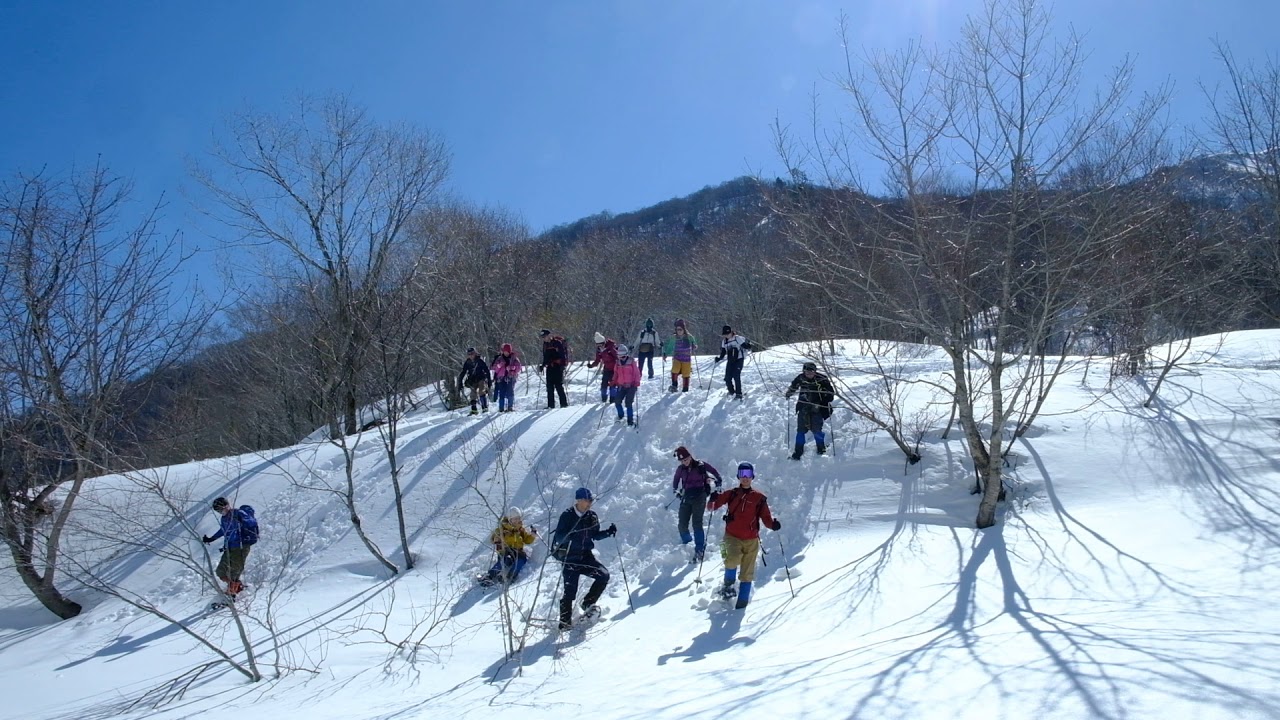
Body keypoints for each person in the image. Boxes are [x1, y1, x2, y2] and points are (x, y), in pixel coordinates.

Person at [706, 462, 780, 609]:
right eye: (742, 474)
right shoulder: (731, 494)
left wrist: (773, 524)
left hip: (752, 540)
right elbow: (711, 508)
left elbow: (766, 518)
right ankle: (727, 586)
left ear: (752, 476)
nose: (745, 478)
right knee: (730, 560)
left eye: (748, 474)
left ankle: (742, 605)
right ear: (738, 477)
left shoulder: (759, 498)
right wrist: (712, 499)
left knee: (747, 573)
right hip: (731, 536)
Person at [552, 487, 617, 630]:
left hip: (586, 557)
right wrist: (571, 534)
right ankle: (564, 623)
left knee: (603, 575)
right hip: (570, 558)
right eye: (588, 500)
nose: (590, 503)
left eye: (591, 500)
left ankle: (587, 603)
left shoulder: (591, 516)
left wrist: (608, 532)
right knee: (570, 592)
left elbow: (595, 535)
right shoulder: (567, 515)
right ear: (579, 500)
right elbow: (559, 537)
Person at [671, 445, 723, 562]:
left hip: (700, 495)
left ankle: (699, 549)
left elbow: (714, 472)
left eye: (686, 459)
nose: (685, 462)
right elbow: (675, 482)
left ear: (690, 456)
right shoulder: (680, 469)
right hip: (687, 496)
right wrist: (676, 492)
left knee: (696, 523)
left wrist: (718, 481)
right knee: (682, 524)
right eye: (682, 460)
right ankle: (687, 544)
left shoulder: (701, 465)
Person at [202, 497, 259, 599]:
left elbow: (252, 522)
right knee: (220, 571)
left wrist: (242, 520)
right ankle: (237, 586)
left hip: (241, 546)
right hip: (229, 547)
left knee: (234, 572)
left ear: (227, 505)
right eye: (218, 511)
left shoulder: (238, 513)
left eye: (221, 509)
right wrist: (211, 539)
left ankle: (232, 594)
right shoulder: (224, 518)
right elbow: (223, 530)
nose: (221, 512)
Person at [784, 361, 835, 459]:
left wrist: (825, 396)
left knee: (817, 430)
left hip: (818, 408)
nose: (809, 374)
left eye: (811, 372)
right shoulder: (800, 378)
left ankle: (821, 448)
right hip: (803, 407)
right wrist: (789, 392)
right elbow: (794, 386)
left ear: (815, 371)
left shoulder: (822, 379)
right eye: (806, 372)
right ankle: (798, 451)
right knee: (801, 430)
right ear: (804, 371)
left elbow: (831, 394)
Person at [479, 506, 537, 586]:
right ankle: (489, 576)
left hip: (517, 552)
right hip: (505, 552)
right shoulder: (503, 529)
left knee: (522, 560)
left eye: (518, 518)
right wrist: (496, 538)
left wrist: (532, 536)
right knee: (506, 560)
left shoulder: (520, 529)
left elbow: (527, 540)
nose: (517, 520)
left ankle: (510, 577)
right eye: (514, 519)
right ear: (509, 519)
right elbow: (493, 538)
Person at [713, 325, 756, 400]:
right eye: (725, 334)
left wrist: (749, 345)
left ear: (731, 332)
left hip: (739, 359)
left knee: (736, 375)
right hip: (730, 360)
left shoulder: (737, 338)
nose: (727, 336)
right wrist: (719, 358)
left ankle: (738, 393)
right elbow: (723, 352)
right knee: (727, 378)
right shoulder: (724, 341)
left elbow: (745, 346)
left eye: (728, 334)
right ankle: (731, 391)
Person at [661, 319, 698, 393]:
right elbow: (670, 347)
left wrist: (694, 346)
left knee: (686, 373)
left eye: (680, 329)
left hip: (686, 358)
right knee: (675, 369)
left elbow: (695, 345)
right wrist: (666, 354)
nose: (679, 331)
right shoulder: (674, 337)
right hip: (677, 357)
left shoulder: (690, 337)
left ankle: (685, 388)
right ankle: (674, 385)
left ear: (684, 329)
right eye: (677, 329)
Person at [537, 329, 570, 409]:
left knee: (558, 386)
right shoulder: (545, 345)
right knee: (549, 387)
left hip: (558, 367)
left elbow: (562, 355)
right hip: (549, 367)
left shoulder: (557, 343)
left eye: (544, 336)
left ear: (549, 335)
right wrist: (543, 365)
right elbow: (545, 357)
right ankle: (550, 405)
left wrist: (562, 365)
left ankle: (564, 404)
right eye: (543, 337)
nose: (544, 338)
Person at [609, 344, 641, 426]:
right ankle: (620, 415)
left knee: (628, 403)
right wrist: (613, 381)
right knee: (617, 401)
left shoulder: (631, 362)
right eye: (619, 356)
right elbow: (616, 373)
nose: (621, 358)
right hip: (621, 385)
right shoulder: (617, 363)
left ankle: (630, 420)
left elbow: (637, 373)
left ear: (626, 355)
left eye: (622, 356)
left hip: (631, 386)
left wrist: (637, 382)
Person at [587, 332, 619, 403]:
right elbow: (597, 360)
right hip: (606, 368)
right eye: (597, 345)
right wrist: (591, 365)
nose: (599, 346)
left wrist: (620, 366)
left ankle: (613, 399)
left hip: (614, 369)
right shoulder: (599, 349)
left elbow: (617, 357)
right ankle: (603, 399)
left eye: (600, 344)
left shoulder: (611, 347)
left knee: (612, 384)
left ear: (603, 342)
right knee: (603, 385)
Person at [458, 347, 492, 415]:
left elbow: (486, 370)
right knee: (472, 394)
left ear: (475, 353)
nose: (471, 355)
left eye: (472, 353)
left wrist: (489, 380)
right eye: (469, 354)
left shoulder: (479, 361)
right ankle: (474, 410)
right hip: (472, 380)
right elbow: (463, 372)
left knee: (481, 391)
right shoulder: (467, 362)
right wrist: (460, 382)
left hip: (481, 378)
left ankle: (484, 407)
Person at [490, 343, 522, 412]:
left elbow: (519, 367)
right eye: (504, 351)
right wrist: (499, 366)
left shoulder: (514, 358)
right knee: (502, 393)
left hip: (511, 377)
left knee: (510, 392)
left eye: (507, 351)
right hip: (501, 378)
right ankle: (501, 408)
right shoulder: (499, 358)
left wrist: (512, 368)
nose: (506, 353)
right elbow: (494, 368)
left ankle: (510, 406)